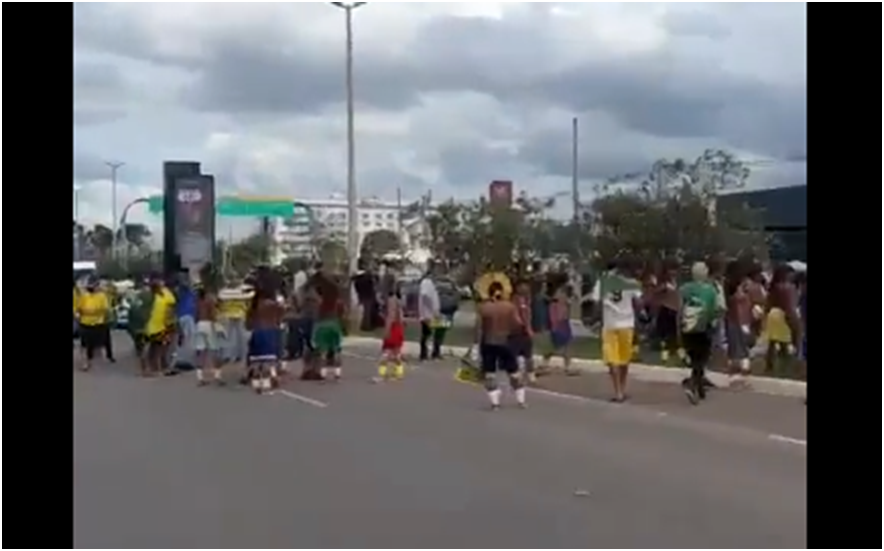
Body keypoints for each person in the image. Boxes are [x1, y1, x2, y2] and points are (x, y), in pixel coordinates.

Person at [590, 258, 643, 402]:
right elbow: (639, 303)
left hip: (610, 324)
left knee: (612, 359)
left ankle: (617, 391)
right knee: (624, 359)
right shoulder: (630, 282)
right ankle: (623, 388)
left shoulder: (602, 282)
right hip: (627, 324)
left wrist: (595, 319)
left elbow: (596, 303)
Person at [476, 281, 526, 410]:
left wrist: (476, 345)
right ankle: (521, 400)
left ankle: (495, 403)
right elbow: (518, 324)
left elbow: (479, 328)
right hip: (506, 342)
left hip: (488, 343)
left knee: (490, 373)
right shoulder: (509, 307)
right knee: (513, 371)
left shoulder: (483, 307)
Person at [679, 262, 721, 405]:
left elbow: (679, 309)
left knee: (695, 357)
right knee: (701, 359)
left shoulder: (684, 289)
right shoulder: (710, 290)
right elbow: (713, 311)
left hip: (687, 328)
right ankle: (692, 384)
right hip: (703, 328)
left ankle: (699, 388)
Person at [246, 282, 285, 393]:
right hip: (270, 331)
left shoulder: (254, 305)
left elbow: (248, 323)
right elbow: (281, 314)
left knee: (257, 360)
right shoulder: (272, 304)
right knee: (269, 359)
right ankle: (270, 381)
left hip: (257, 332)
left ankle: (257, 383)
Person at [763, 264, 801, 375]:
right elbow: (789, 306)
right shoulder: (787, 288)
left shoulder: (773, 287)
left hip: (772, 314)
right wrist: (794, 322)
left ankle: (769, 366)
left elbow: (768, 304)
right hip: (782, 315)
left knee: (772, 342)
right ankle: (785, 368)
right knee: (785, 343)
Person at [311, 265, 347, 381]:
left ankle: (323, 374)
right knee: (337, 350)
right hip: (334, 324)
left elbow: (317, 317)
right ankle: (337, 373)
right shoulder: (337, 301)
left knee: (323, 351)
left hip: (322, 325)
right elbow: (342, 314)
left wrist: (314, 331)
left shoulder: (321, 302)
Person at [724, 263, 755, 389]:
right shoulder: (739, 287)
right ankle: (742, 378)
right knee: (742, 349)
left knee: (736, 349)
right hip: (740, 320)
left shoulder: (728, 285)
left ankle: (735, 377)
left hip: (733, 320)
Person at [143, 274, 177, 377]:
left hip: (161, 326)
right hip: (153, 326)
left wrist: (171, 323)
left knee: (160, 348)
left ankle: (158, 368)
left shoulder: (165, 293)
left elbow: (170, 309)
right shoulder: (150, 295)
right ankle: (152, 369)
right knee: (155, 348)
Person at [76, 278, 112, 371]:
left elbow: (105, 309)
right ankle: (85, 363)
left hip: (98, 324)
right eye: (90, 285)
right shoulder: (84, 296)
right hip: (85, 324)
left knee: (97, 345)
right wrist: (80, 314)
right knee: (84, 345)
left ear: (97, 286)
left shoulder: (102, 296)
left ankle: (94, 361)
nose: (91, 287)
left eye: (94, 285)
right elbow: (79, 308)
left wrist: (94, 312)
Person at [653, 262, 683, 363]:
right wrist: (663, 289)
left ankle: (677, 353)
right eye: (671, 270)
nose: (673, 272)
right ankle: (665, 355)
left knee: (673, 333)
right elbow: (656, 292)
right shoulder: (664, 283)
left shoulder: (675, 283)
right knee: (665, 333)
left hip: (673, 310)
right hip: (666, 309)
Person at [194, 285, 224, 386]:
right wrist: (218, 326)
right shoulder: (209, 300)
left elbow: (196, 315)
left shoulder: (198, 301)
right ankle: (217, 376)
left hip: (199, 325)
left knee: (201, 351)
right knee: (215, 350)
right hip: (209, 324)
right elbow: (212, 314)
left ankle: (200, 377)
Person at [126, 278, 155, 375]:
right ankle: (147, 369)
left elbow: (131, 313)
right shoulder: (151, 296)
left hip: (136, 327)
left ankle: (142, 369)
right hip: (146, 326)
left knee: (140, 349)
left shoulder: (136, 298)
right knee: (147, 348)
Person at [377, 286, 406, 382]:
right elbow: (401, 318)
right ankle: (399, 373)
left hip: (393, 328)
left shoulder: (391, 301)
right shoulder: (398, 301)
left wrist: (387, 331)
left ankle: (382, 374)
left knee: (385, 353)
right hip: (398, 328)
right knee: (396, 353)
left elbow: (391, 316)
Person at [510, 280, 536, 382]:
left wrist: (529, 328)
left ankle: (530, 373)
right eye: (524, 286)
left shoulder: (527, 300)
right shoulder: (515, 300)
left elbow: (528, 316)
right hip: (517, 331)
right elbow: (515, 315)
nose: (526, 289)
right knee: (515, 353)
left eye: (527, 287)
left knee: (528, 354)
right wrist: (524, 327)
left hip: (526, 331)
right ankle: (516, 373)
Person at [418, 262, 444, 361]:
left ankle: (433, 352)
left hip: (431, 313)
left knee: (432, 331)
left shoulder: (430, 283)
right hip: (427, 314)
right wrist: (432, 309)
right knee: (426, 333)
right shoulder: (426, 282)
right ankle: (424, 354)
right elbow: (425, 296)